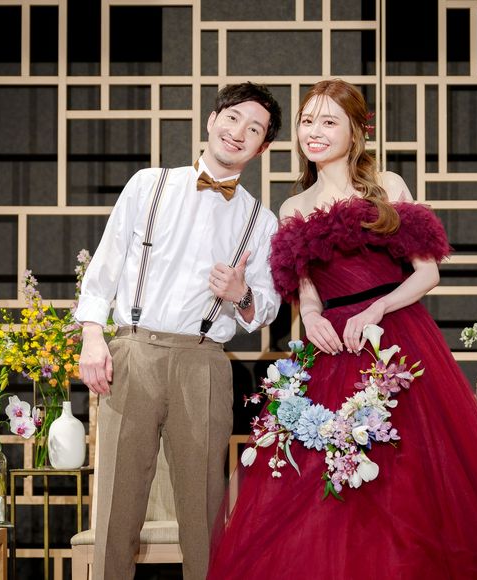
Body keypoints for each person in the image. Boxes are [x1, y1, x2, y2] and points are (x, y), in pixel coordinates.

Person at [207, 79, 477, 579]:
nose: (314, 132)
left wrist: (378, 309)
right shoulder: (293, 208)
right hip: (330, 348)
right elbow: (307, 290)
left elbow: (428, 273)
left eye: (329, 122)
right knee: (318, 481)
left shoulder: (387, 186)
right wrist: (311, 317)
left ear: (355, 132)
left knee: (406, 479)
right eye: (307, 121)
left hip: (394, 339)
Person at [75, 82, 282, 580]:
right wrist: (92, 337)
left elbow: (267, 306)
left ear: (262, 148)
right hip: (133, 350)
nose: (239, 132)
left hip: (202, 361)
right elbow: (105, 267)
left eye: (254, 129)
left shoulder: (261, 220)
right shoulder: (148, 184)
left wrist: (241, 294)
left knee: (203, 510)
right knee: (117, 506)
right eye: (233, 118)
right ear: (212, 120)